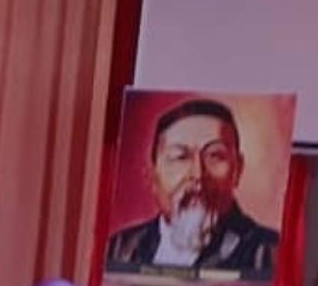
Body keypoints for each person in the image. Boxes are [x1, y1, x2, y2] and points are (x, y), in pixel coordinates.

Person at [107, 98, 279, 276]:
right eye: (180, 157)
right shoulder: (119, 248)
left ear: (238, 170)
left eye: (215, 155)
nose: (198, 174)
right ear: (152, 175)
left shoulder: (270, 252)